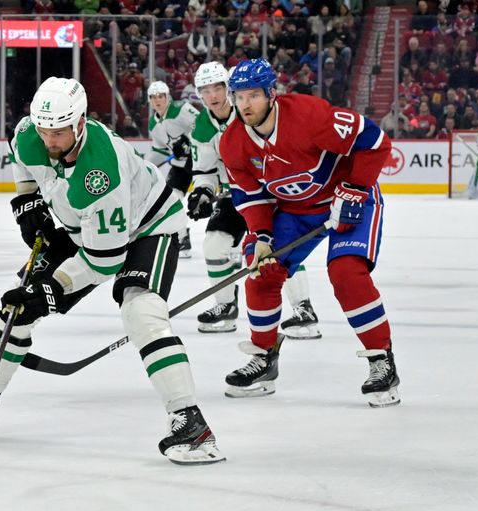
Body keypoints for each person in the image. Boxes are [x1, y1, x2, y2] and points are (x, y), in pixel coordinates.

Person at [0, 78, 225, 466]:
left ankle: (191, 424)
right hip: (82, 226)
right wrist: (26, 197)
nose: (49, 140)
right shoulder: (31, 133)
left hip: (149, 225)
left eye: (59, 131)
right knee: (19, 302)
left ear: (80, 122)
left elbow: (105, 261)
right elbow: (22, 156)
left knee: (141, 310)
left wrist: (50, 292)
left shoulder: (100, 173)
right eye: (44, 130)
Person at [218, 59, 399, 407]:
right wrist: (262, 238)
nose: (244, 105)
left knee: (346, 273)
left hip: (347, 201)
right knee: (261, 273)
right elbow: (251, 197)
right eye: (238, 96)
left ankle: (381, 361)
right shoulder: (233, 143)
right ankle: (264, 358)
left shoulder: (309, 116)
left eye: (253, 95)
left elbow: (376, 142)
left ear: (272, 93)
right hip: (296, 212)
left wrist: (356, 188)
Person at [188, 61, 322, 339]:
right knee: (213, 245)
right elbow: (204, 169)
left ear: (229, 88)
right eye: (205, 90)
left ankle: (303, 308)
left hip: (269, 193)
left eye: (218, 87)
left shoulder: (251, 112)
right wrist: (202, 191)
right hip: (234, 194)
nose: (212, 95)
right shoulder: (201, 126)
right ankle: (225, 305)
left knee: (281, 248)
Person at [145, 81, 199, 258]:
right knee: (170, 199)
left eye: (161, 96)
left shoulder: (180, 108)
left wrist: (187, 140)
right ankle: (183, 238)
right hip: (180, 167)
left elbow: (202, 123)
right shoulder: (153, 123)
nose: (157, 100)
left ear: (167, 97)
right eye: (153, 97)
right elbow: (159, 150)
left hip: (200, 161)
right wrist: (145, 165)